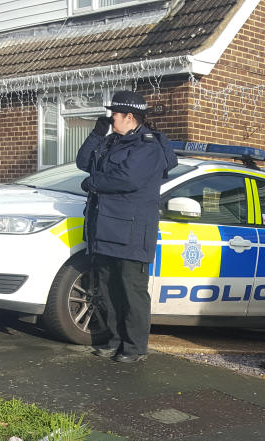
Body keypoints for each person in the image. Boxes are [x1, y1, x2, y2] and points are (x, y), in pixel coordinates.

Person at [76, 90, 178, 363]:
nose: (111, 120)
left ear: (129, 116)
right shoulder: (110, 142)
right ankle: (113, 340)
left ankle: (134, 347)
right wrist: (97, 134)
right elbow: (83, 162)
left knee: (131, 291)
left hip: (132, 232)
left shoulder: (149, 146)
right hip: (105, 228)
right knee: (108, 289)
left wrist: (92, 183)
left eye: (114, 116)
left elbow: (126, 179)